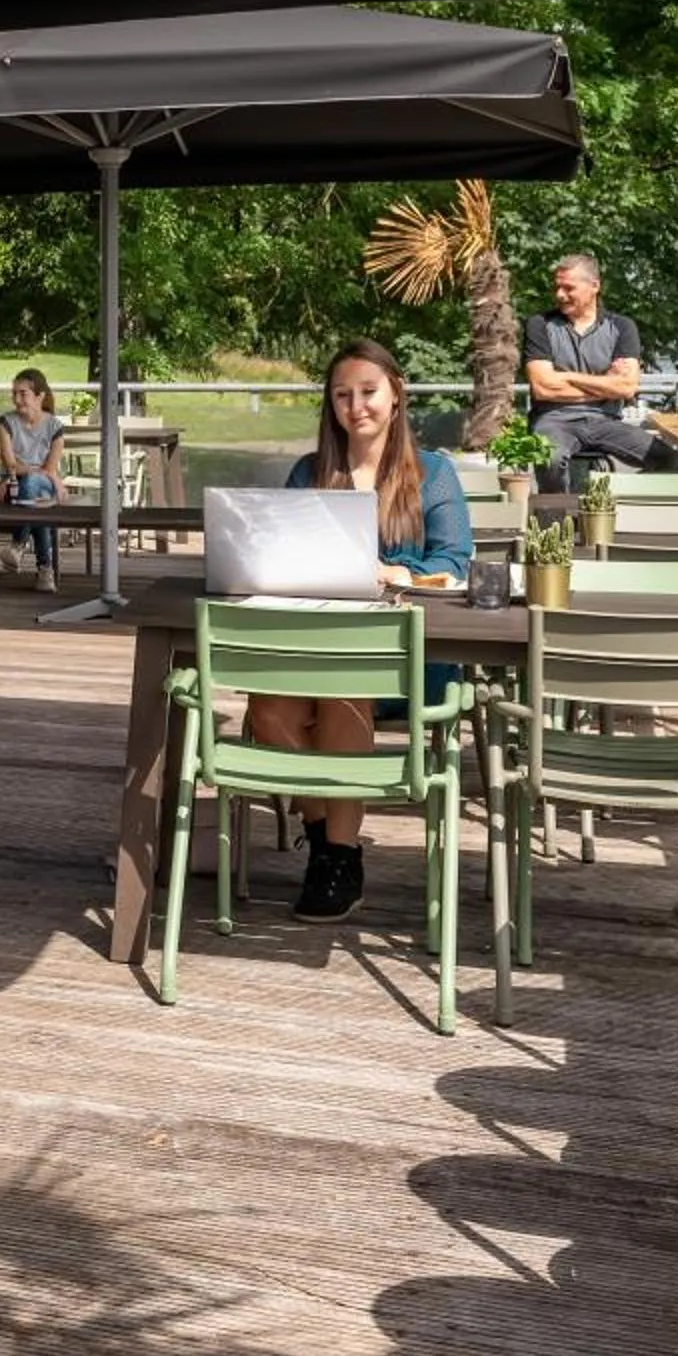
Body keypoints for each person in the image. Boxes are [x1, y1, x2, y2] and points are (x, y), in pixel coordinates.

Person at [247, 340, 473, 925]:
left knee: (342, 691)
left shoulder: (434, 474)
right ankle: (325, 837)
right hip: (316, 643)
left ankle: (339, 858)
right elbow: (282, 552)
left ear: (396, 395)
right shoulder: (309, 473)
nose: (356, 406)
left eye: (368, 391)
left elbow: (455, 563)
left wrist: (396, 572)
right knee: (267, 709)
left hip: (405, 658)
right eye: (342, 394)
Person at [521, 254, 665, 488]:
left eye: (568, 288)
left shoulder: (622, 327)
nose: (560, 295)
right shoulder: (539, 324)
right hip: (553, 420)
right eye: (557, 287)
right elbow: (543, 388)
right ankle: (556, 510)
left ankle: (615, 501)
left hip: (605, 421)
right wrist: (607, 385)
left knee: (669, 460)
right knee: (550, 458)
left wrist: (566, 376)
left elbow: (627, 387)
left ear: (594, 286)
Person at [0, 369, 67, 595]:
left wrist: (33, 472)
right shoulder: (6, 422)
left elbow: (49, 468)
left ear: (40, 396)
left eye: (23, 393)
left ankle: (18, 544)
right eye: (14, 393)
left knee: (34, 484)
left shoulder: (55, 426)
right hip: (14, 485)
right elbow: (10, 464)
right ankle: (45, 570)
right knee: (39, 502)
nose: (16, 399)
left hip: (39, 482)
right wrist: (34, 471)